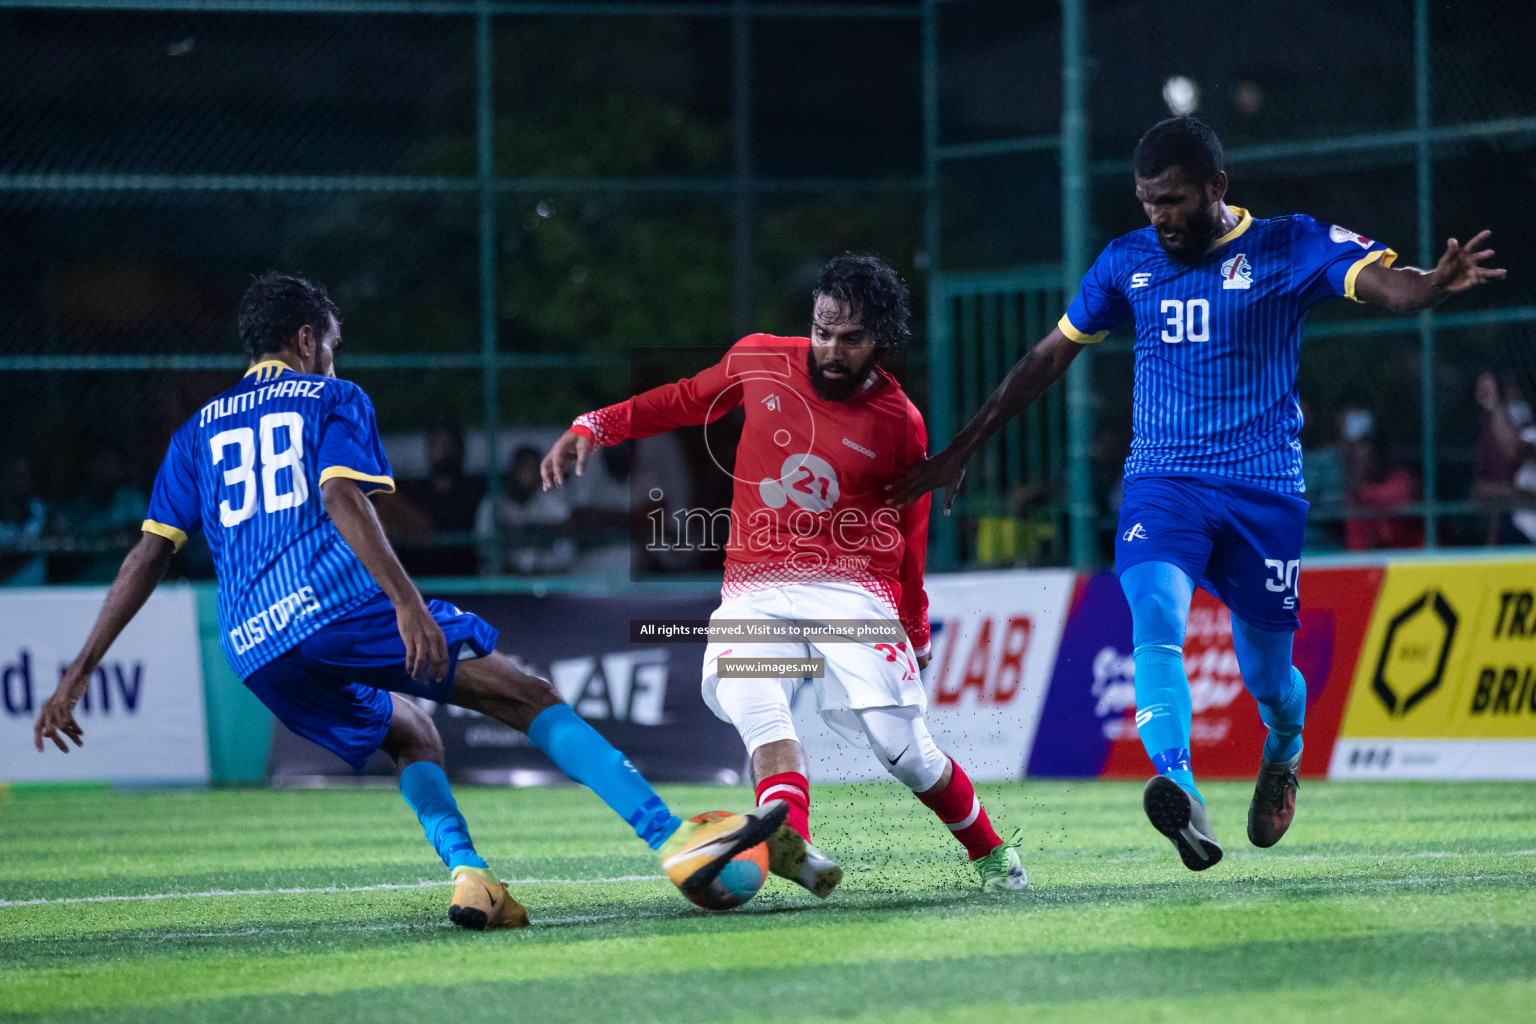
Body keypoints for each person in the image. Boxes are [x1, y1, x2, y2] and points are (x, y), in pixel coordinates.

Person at [33, 273, 784, 930]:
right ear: (305, 338)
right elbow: (340, 498)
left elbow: (148, 555)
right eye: (332, 342)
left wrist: (79, 672)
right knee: (524, 695)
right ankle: (671, 840)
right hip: (331, 606)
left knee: (411, 733)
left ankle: (471, 875)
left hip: (253, 646)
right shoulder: (332, 396)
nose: (336, 356)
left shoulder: (194, 432)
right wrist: (406, 602)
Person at [893, 117, 1505, 871]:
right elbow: (1047, 356)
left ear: (1217, 187)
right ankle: (1180, 789)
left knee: (1269, 682)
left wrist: (1430, 287)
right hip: (1164, 483)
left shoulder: (1287, 244)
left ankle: (1284, 748)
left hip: (1263, 492)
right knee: (1154, 616)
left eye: (1175, 200)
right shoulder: (1128, 261)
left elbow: (1389, 287)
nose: (1160, 216)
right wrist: (967, 442)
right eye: (1149, 201)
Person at [542, 253, 1028, 896]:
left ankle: (992, 855)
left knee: (903, 753)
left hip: (853, 592)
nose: (831, 348)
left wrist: (914, 628)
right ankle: (791, 843)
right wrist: (596, 424)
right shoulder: (760, 358)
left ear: (879, 340)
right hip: (757, 587)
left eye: (850, 338)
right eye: (824, 330)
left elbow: (910, 533)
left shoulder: (899, 422)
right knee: (754, 703)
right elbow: (686, 400)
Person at [389, 419, 485, 576]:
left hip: (466, 580)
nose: (443, 451)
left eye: (448, 444)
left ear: (460, 448)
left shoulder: (476, 493)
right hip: (423, 583)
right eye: (436, 444)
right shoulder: (413, 495)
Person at [474, 446, 575, 574]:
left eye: (533, 469)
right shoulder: (491, 506)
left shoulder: (553, 507)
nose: (528, 475)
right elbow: (484, 553)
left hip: (545, 586)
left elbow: (566, 558)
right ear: (512, 470)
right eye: (524, 468)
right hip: (502, 587)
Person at [1472, 371, 1536, 545]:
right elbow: (1478, 493)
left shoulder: (1524, 433)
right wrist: (1514, 493)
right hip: (1517, 528)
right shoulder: (1490, 435)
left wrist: (1495, 406)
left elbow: (1513, 450)